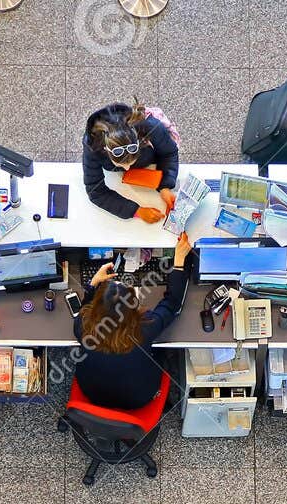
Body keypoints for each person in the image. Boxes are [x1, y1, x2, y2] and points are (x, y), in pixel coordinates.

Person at [72, 233, 193, 410]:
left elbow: (86, 308)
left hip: (92, 393)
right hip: (139, 398)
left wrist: (93, 285)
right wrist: (179, 261)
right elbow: (172, 304)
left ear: (96, 306)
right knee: (162, 354)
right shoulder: (144, 329)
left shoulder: (83, 325)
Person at [82, 103, 181, 223]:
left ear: (141, 143)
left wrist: (165, 185)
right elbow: (95, 191)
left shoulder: (151, 127)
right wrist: (135, 211)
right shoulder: (93, 146)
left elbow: (169, 153)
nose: (128, 169)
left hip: (151, 167)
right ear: (105, 151)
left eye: (131, 162)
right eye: (121, 165)